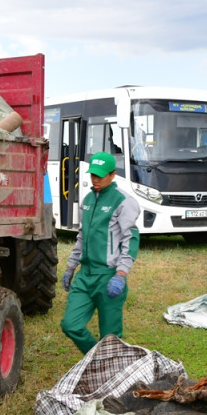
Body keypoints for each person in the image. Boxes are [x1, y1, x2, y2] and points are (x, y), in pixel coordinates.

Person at [60, 151, 141, 354]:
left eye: (100, 175)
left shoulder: (123, 201)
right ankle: (96, 358)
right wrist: (71, 266)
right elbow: (82, 236)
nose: (95, 179)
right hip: (85, 275)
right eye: (92, 175)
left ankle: (109, 366)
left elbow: (131, 239)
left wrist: (121, 274)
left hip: (108, 276)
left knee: (110, 338)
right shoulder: (87, 200)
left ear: (112, 175)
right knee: (70, 325)